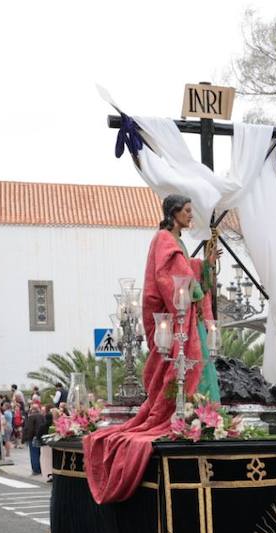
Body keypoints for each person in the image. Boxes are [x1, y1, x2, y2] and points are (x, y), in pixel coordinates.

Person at [84, 194, 221, 503]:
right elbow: (168, 278)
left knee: (199, 368)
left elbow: (187, 269)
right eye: (187, 211)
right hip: (178, 321)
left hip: (189, 321)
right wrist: (194, 287)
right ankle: (184, 417)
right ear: (173, 213)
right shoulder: (164, 240)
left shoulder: (175, 241)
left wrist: (205, 267)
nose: (190, 216)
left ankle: (203, 419)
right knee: (186, 366)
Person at [22, 400, 49, 477]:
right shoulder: (42, 416)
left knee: (34, 454)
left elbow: (29, 428)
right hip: (41, 436)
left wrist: (27, 437)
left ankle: (36, 470)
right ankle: (41, 468)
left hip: (33, 437)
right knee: (40, 453)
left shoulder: (31, 417)